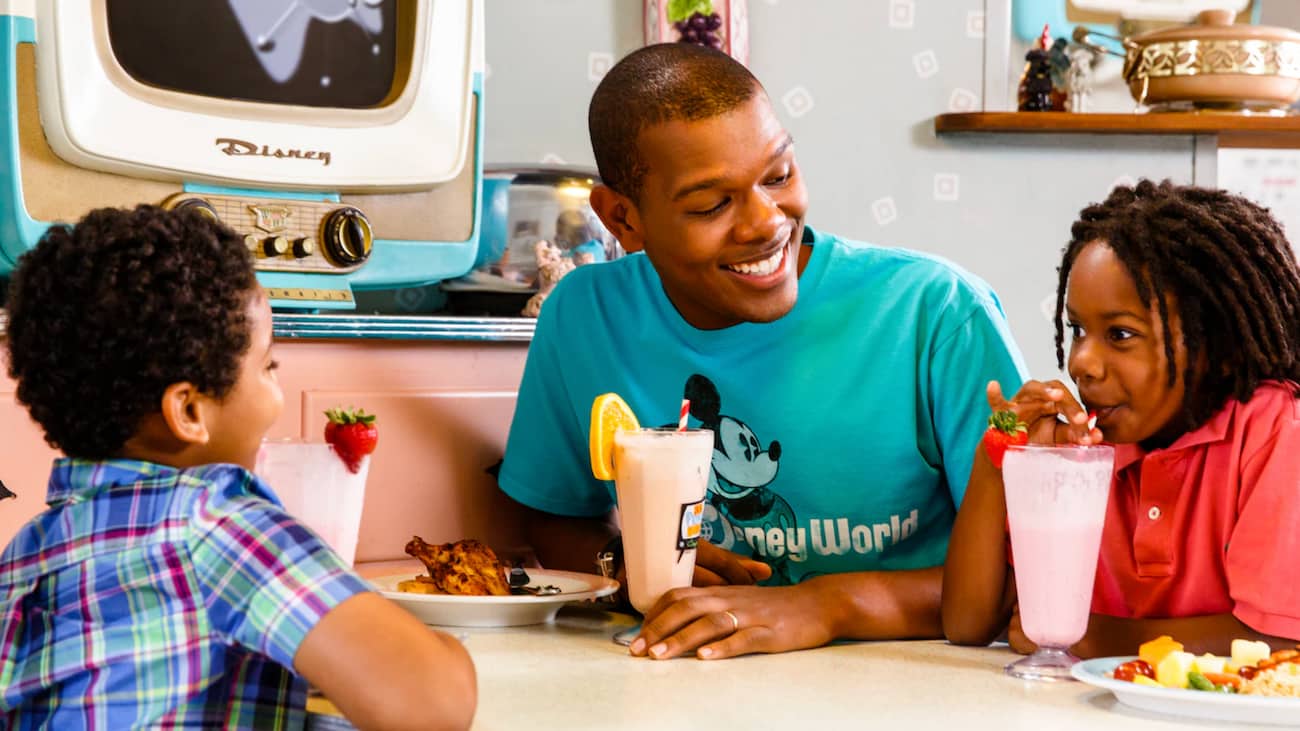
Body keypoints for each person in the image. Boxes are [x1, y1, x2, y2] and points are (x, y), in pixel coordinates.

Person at [497, 43, 1028, 660]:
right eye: (710, 204)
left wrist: (825, 605)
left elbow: (1034, 574)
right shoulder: (583, 316)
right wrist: (626, 565)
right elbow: (551, 515)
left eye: (778, 176)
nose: (766, 222)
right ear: (622, 219)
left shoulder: (936, 313)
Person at [0, 206, 476, 729]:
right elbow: (433, 703)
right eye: (267, 366)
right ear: (189, 412)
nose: (277, 392)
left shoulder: (27, 551)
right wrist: (449, 650)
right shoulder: (216, 522)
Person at [942, 179, 1300, 657]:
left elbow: (1280, 639)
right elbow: (969, 624)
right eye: (1078, 330)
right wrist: (998, 458)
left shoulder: (1275, 433)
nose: (1081, 362)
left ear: (1217, 349)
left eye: (1121, 334)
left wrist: (1091, 637)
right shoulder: (1076, 450)